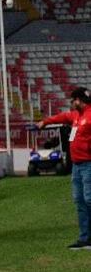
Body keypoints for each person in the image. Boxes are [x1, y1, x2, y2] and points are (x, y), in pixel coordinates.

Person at [38, 87, 91, 250]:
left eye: (73, 100)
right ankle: (85, 238)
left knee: (89, 200)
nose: (72, 104)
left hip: (89, 164)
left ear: (79, 100)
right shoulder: (75, 116)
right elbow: (61, 117)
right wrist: (45, 121)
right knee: (80, 201)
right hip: (76, 165)